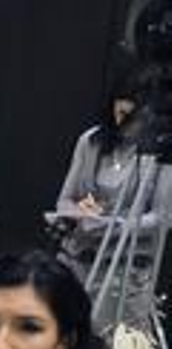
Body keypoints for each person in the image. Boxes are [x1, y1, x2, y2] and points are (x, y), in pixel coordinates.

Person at [51, 82, 172, 328]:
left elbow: (162, 218)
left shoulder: (161, 156)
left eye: (134, 119)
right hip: (76, 259)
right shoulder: (91, 141)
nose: (124, 125)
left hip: (123, 272)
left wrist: (113, 224)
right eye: (121, 115)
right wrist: (79, 212)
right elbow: (65, 200)